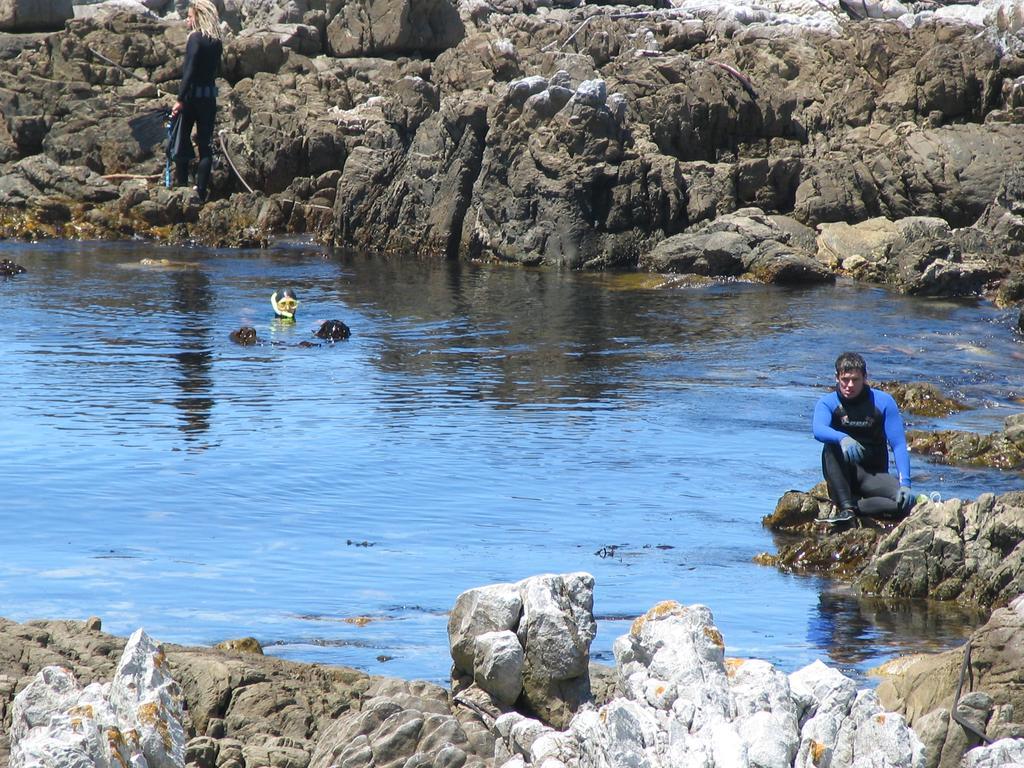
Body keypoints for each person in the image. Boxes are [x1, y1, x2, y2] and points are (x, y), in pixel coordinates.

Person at [812, 352, 912, 524]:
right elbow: (818, 430)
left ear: (865, 378)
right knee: (832, 445)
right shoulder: (827, 403)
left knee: (905, 504)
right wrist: (842, 437)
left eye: (855, 380)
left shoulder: (883, 402)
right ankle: (846, 508)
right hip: (842, 475)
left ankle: (855, 508)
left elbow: (899, 445)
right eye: (845, 379)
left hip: (873, 475)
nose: (849, 385)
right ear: (836, 378)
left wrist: (906, 483)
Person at [171, 0, 222, 204]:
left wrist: (179, 99)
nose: (187, 20)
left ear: (198, 18)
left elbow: (189, 72)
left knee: (181, 140)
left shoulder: (195, 38)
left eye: (190, 16)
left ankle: (182, 185)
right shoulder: (216, 41)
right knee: (205, 147)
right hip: (209, 99)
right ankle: (200, 192)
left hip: (192, 99)